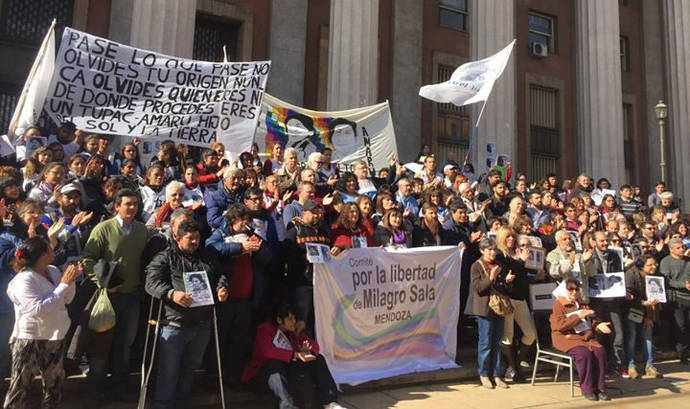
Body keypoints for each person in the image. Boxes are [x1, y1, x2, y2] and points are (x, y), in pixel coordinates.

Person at [145, 220, 229, 409]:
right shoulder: (164, 257)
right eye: (190, 238)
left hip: (202, 324)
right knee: (168, 372)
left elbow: (220, 274)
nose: (194, 242)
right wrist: (172, 294)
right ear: (177, 237)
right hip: (174, 324)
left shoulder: (207, 256)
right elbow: (151, 282)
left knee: (189, 369)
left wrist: (222, 287)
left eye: (197, 238)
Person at [82, 189, 147, 402]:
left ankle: (119, 388)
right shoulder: (103, 229)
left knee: (124, 344)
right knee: (101, 346)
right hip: (107, 297)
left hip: (132, 297)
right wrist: (103, 282)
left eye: (135, 204)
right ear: (117, 206)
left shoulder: (141, 230)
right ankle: (95, 391)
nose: (132, 208)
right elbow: (88, 259)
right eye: (127, 204)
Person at [4, 237, 82, 409]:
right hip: (29, 338)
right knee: (20, 386)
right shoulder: (24, 279)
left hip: (55, 335)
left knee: (54, 384)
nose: (53, 250)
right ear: (42, 255)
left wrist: (71, 281)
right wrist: (63, 285)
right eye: (49, 248)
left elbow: (67, 299)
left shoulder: (53, 270)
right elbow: (37, 309)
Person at [242, 304, 344, 409]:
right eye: (290, 319)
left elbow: (315, 348)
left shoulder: (293, 333)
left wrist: (307, 351)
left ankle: (330, 402)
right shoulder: (265, 329)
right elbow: (267, 352)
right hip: (263, 375)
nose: (294, 321)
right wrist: (296, 355)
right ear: (279, 320)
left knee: (319, 359)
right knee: (273, 364)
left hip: (287, 372)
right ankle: (287, 406)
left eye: (294, 318)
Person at [550, 278, 612, 401]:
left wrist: (598, 325)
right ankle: (587, 389)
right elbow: (559, 325)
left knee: (600, 352)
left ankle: (600, 388)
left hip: (585, 337)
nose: (574, 292)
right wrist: (578, 316)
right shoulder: (559, 304)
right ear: (564, 290)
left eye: (576, 289)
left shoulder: (582, 303)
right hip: (566, 338)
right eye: (570, 289)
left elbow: (592, 320)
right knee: (584, 354)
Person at [468, 238, 513, 389]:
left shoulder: (499, 265)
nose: (492, 252)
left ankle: (496, 374)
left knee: (497, 342)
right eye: (489, 250)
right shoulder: (476, 266)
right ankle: (484, 374)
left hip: (499, 308)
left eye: (494, 249)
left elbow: (502, 288)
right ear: (482, 251)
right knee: (486, 343)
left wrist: (506, 280)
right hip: (484, 309)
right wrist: (491, 277)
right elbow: (478, 288)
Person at [582, 230, 626, 376]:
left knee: (618, 333)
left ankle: (618, 365)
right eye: (601, 241)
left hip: (613, 299)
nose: (605, 243)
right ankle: (600, 365)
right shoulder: (588, 256)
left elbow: (619, 274)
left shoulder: (614, 255)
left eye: (606, 240)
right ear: (593, 242)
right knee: (598, 333)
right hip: (596, 300)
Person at [284, 200, 330, 333]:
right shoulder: (295, 231)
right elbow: (285, 256)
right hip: (302, 283)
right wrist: (302, 258)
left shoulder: (323, 231)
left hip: (321, 284)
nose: (316, 216)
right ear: (304, 212)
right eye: (313, 212)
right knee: (301, 321)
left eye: (318, 212)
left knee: (319, 321)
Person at [624, 254, 663, 379]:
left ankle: (649, 365)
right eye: (650, 265)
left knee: (648, 337)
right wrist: (641, 303)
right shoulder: (631, 274)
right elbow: (627, 297)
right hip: (632, 310)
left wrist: (649, 313)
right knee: (631, 337)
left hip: (648, 310)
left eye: (654, 264)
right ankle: (630, 366)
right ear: (641, 266)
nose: (653, 267)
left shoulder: (655, 276)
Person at [658, 237, 690, 365]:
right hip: (677, 297)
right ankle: (682, 353)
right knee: (681, 326)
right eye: (678, 248)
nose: (682, 249)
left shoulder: (688, 261)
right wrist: (683, 285)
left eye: (683, 247)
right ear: (671, 250)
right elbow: (665, 280)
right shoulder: (666, 262)